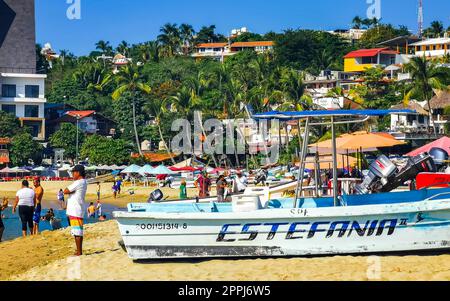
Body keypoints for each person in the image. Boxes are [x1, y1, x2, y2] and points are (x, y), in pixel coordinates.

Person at [64, 165, 88, 256]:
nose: (72, 174)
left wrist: (70, 191)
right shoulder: (83, 182)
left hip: (75, 209)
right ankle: (78, 250)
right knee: (77, 231)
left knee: (77, 231)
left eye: (73, 172)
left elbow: (66, 191)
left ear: (78, 173)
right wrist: (71, 191)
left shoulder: (78, 182)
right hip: (78, 209)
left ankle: (79, 251)